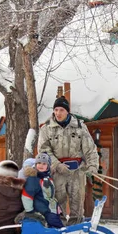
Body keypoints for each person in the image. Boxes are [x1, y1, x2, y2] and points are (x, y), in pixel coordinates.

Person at [38, 95, 98, 225]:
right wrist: (57, 165)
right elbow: (44, 150)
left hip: (77, 171)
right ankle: (59, 230)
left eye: (61, 110)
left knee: (77, 202)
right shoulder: (46, 128)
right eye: (56, 110)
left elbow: (90, 148)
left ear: (67, 111)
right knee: (58, 203)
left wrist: (92, 166)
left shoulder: (79, 127)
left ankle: (76, 230)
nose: (58, 113)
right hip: (57, 172)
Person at [21, 153, 64, 228]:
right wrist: (30, 211)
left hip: (51, 210)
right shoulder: (33, 179)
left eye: (44, 163)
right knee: (57, 228)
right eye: (39, 163)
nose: (41, 165)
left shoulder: (46, 177)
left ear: (48, 166)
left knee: (57, 227)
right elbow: (27, 196)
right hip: (42, 211)